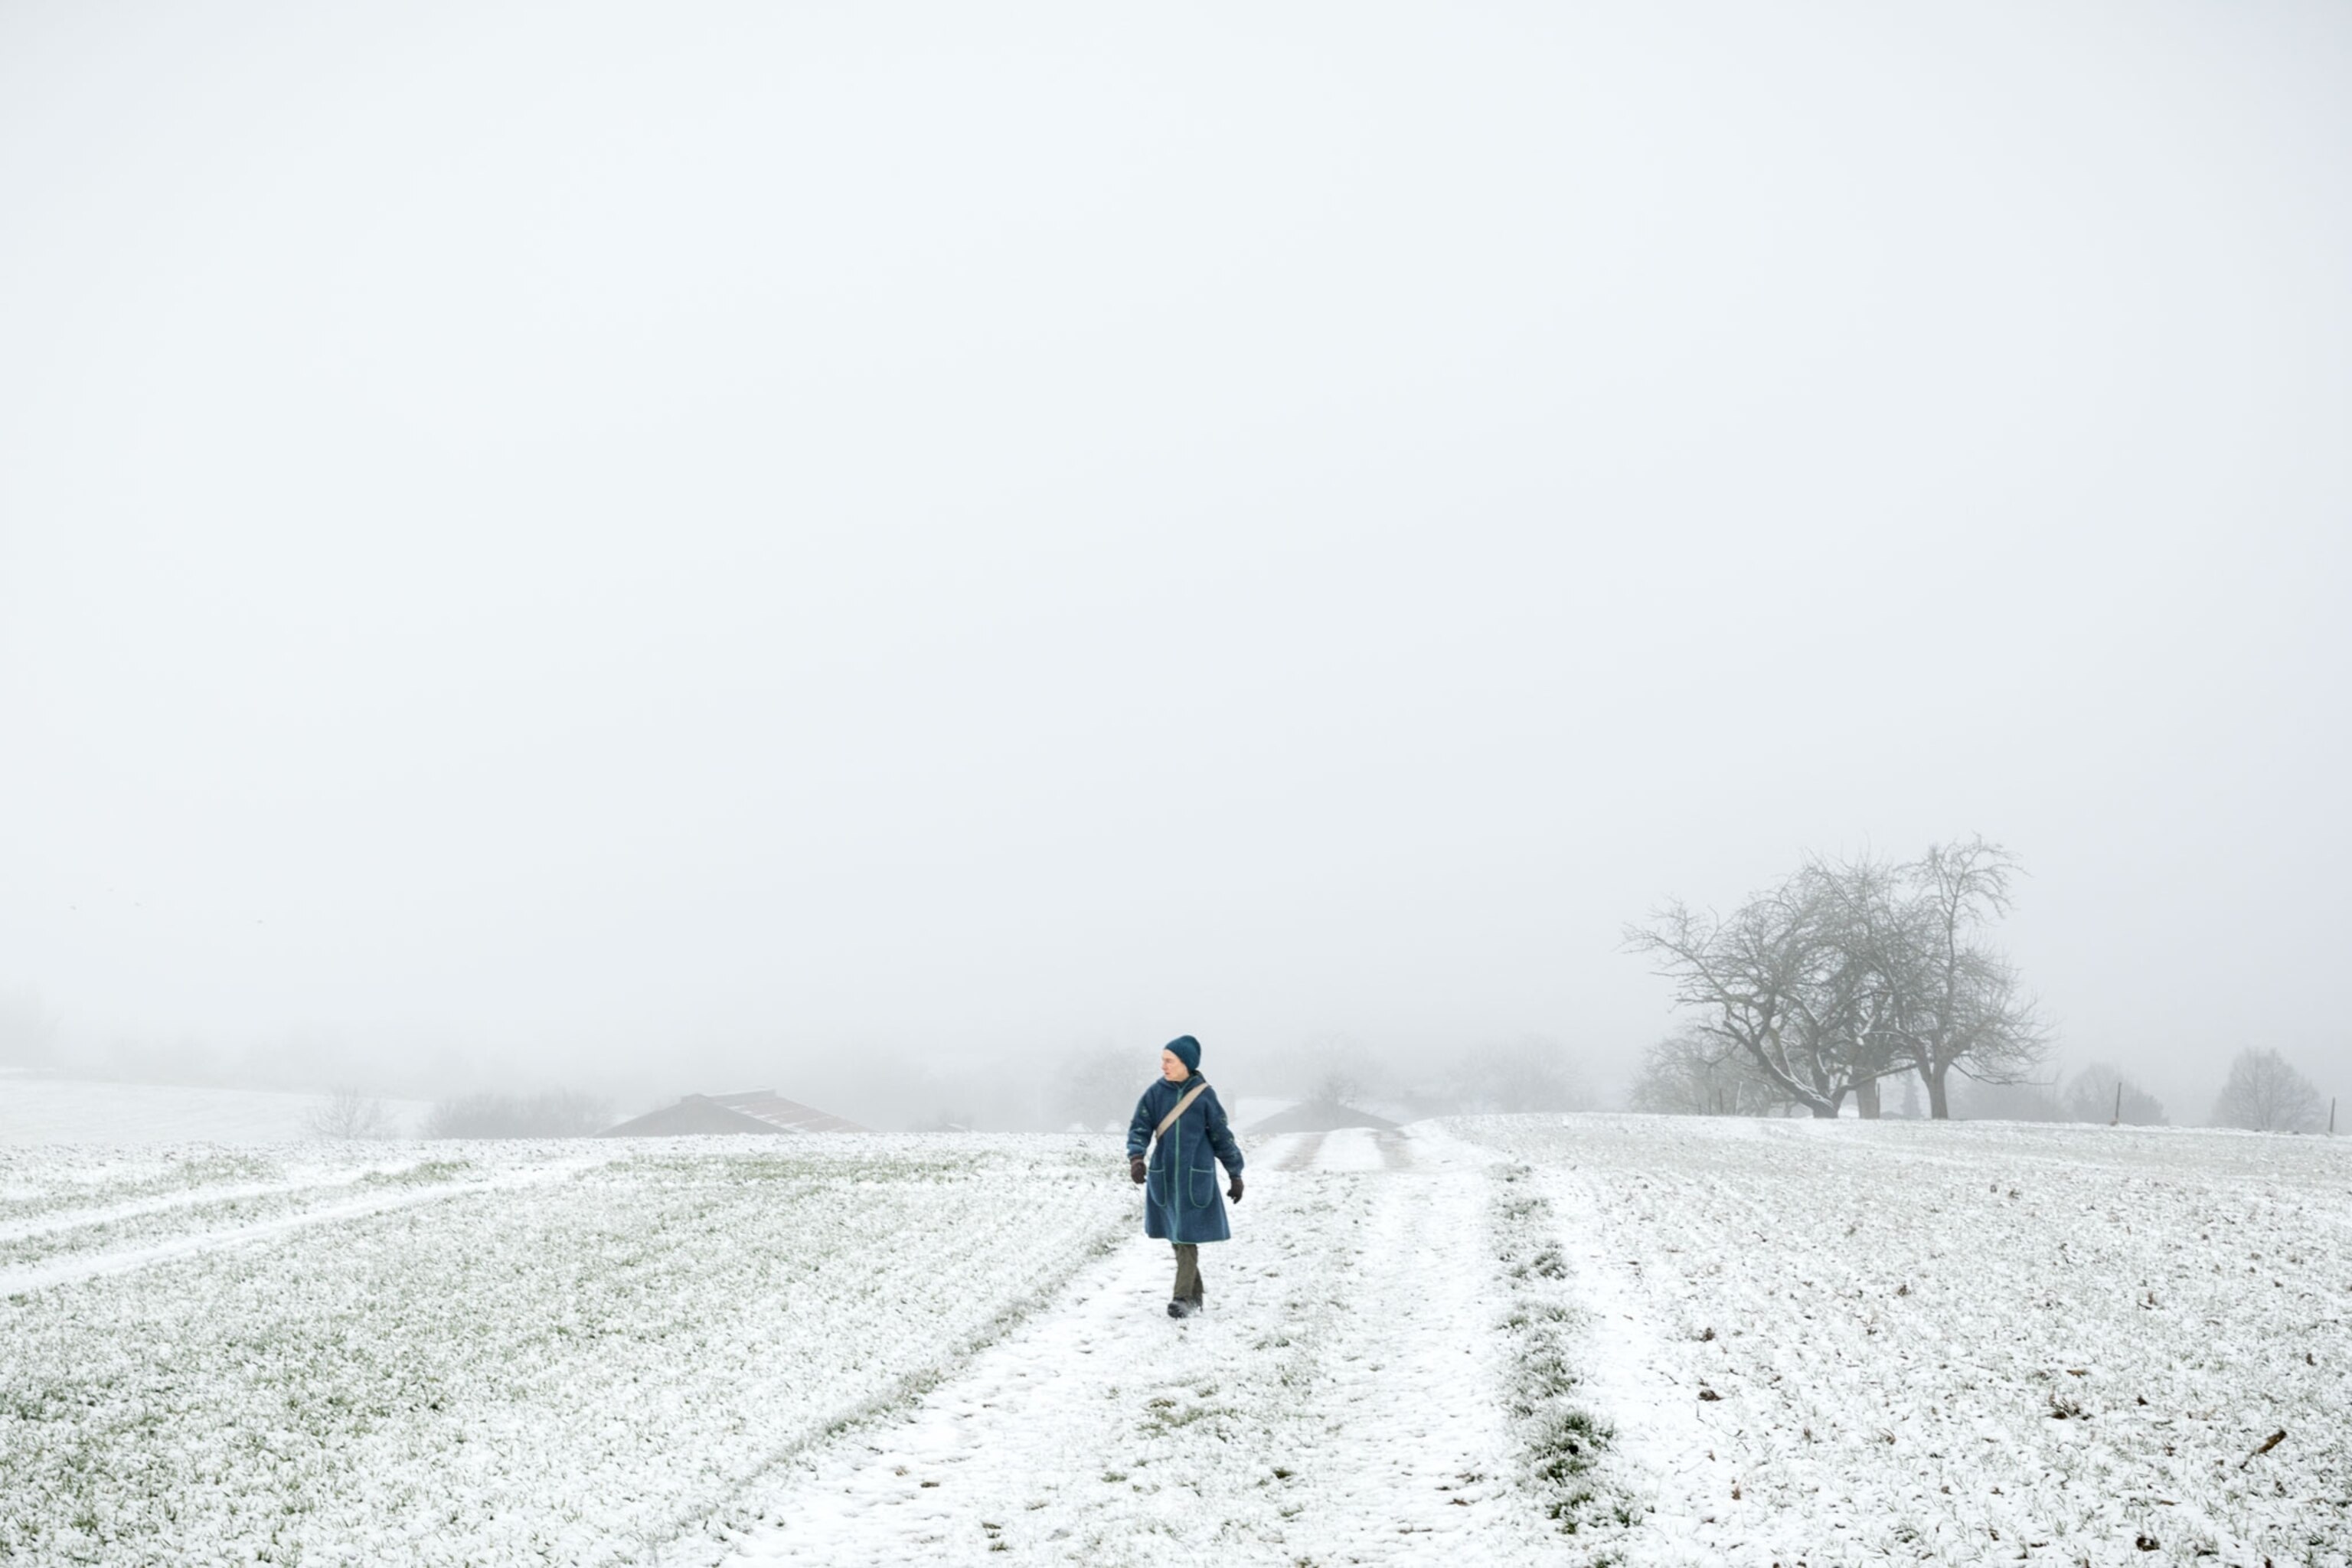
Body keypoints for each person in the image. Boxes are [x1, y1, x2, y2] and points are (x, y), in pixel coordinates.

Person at [1126, 1034, 1244, 1318]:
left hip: (1195, 1178)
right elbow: (1140, 1126)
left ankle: (1182, 1298)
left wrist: (1235, 1173)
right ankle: (1194, 1295)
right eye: (1163, 1060)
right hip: (1164, 1176)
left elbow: (1221, 1137)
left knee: (1185, 1236)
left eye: (1169, 1061)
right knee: (1178, 1236)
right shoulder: (1155, 1093)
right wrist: (1137, 1158)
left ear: (1186, 1064)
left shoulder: (1205, 1097)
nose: (1163, 1066)